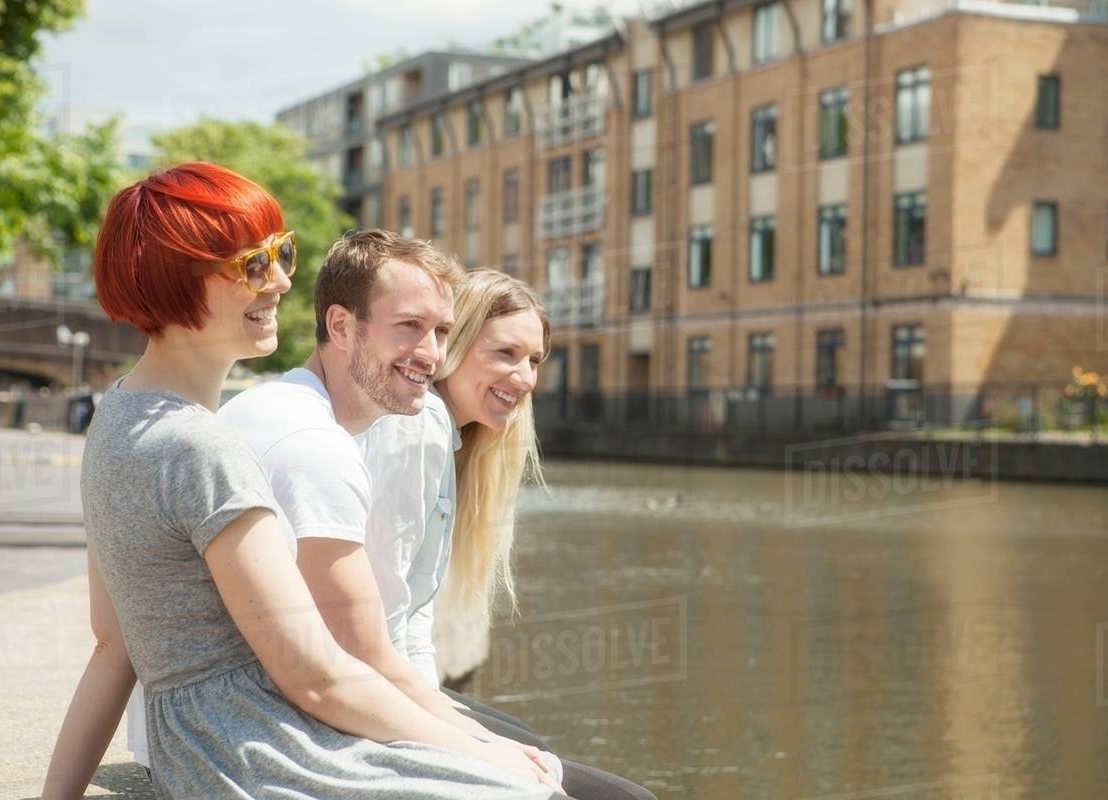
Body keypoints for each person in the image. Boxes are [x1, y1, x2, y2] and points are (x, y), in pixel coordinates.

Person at [42, 164, 565, 800]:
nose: (284, 279)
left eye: (280, 253)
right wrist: (486, 757)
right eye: (253, 265)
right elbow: (316, 676)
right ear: (178, 281)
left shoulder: (116, 418)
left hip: (196, 744)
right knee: (532, 787)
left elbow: (111, 644)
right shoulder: (207, 449)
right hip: (260, 747)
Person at [361, 268, 658, 800]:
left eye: (535, 360)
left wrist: (452, 726)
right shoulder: (419, 425)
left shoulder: (446, 438)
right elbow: (381, 625)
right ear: (451, 344)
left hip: (392, 689)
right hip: (363, 698)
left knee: (528, 742)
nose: (524, 378)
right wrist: (454, 741)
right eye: (505, 353)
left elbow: (412, 619)